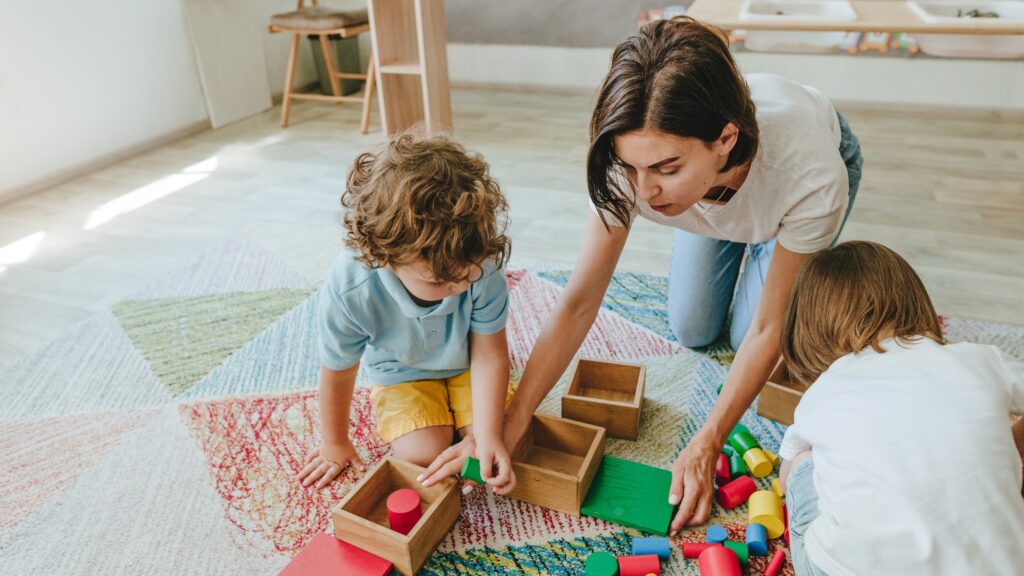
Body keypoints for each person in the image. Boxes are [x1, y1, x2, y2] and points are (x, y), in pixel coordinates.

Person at [424, 16, 863, 533]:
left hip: (781, 189)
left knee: (752, 335)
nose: (645, 192)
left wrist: (706, 444)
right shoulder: (629, 165)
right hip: (707, 194)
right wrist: (509, 422)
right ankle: (712, 212)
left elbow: (768, 330)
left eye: (666, 168)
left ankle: (744, 227)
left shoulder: (812, 176)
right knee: (693, 327)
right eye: (632, 168)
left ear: (725, 139)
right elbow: (579, 301)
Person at [777, 241, 1024, 575]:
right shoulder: (982, 359)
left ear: (810, 328)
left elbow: (786, 477)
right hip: (1000, 567)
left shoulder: (822, 392)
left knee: (802, 460)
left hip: (846, 569)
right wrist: (1012, 441)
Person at [298, 131, 516, 496]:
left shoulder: (481, 262)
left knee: (499, 441)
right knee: (423, 454)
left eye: (468, 275)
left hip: (470, 363)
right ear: (384, 257)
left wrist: (488, 435)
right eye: (440, 281)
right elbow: (338, 368)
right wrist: (334, 442)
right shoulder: (351, 287)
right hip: (401, 371)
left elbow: (490, 354)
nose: (461, 286)